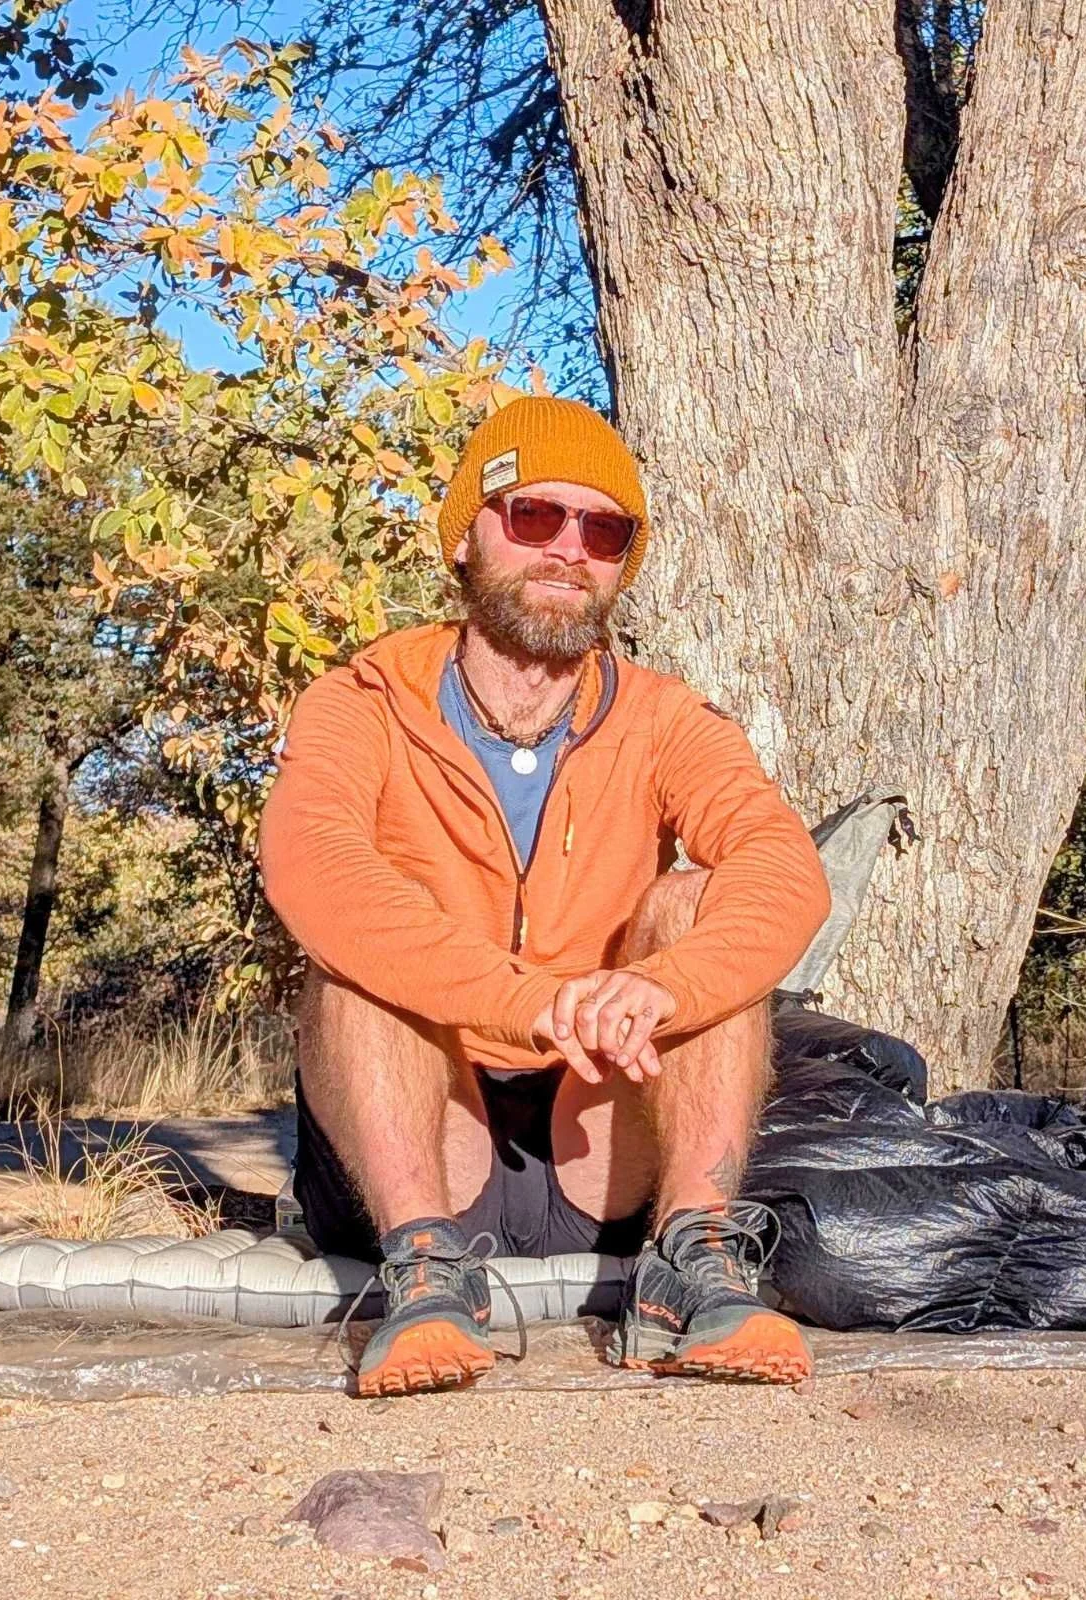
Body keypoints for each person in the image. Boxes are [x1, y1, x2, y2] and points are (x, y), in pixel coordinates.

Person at [259, 395, 832, 1398]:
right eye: (534, 515)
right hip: (424, 1138)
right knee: (359, 944)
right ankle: (425, 1273)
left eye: (603, 531)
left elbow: (781, 865)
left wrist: (669, 986)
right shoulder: (362, 702)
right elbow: (312, 862)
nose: (570, 548)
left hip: (601, 1133)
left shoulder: (666, 719)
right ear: (465, 536)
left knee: (699, 904)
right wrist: (527, 1000)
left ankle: (695, 1258)